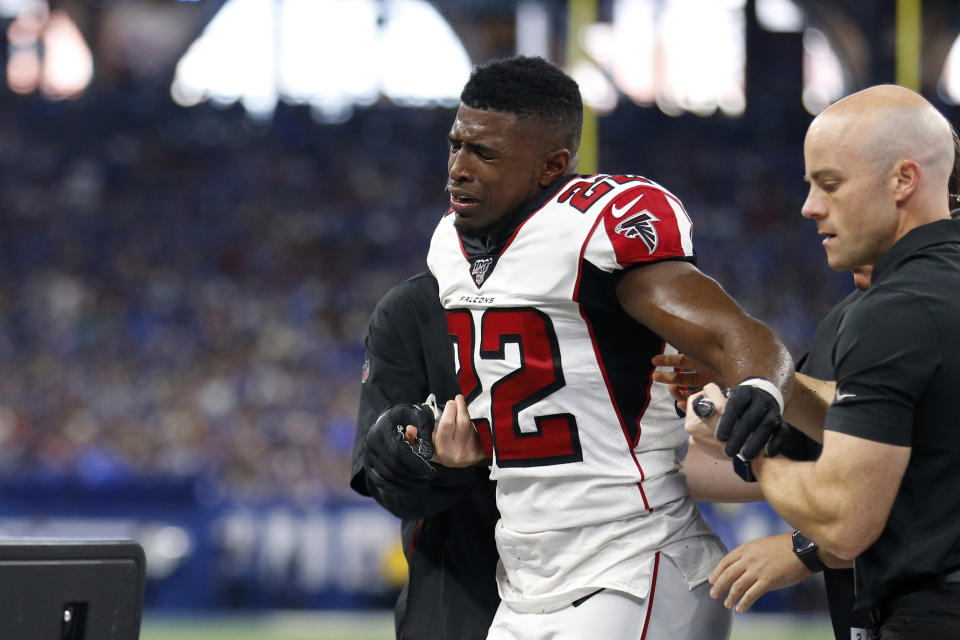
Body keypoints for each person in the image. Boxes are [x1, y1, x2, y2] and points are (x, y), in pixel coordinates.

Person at [419, 55, 794, 640]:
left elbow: (731, 329)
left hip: (634, 564)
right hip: (526, 576)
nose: (458, 168)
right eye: (456, 145)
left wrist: (759, 386)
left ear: (553, 165)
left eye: (484, 153)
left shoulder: (592, 226)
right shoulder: (448, 243)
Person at [686, 84, 960, 639]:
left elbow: (844, 521)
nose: (809, 205)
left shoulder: (893, 310)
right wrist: (765, 391)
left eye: (830, 184)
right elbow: (919, 438)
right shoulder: (935, 289)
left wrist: (751, 443)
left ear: (903, 180)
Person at [350, 271, 500, 640]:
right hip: (459, 593)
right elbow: (382, 476)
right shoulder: (413, 309)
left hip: (597, 576)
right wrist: (429, 460)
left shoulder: (593, 295)